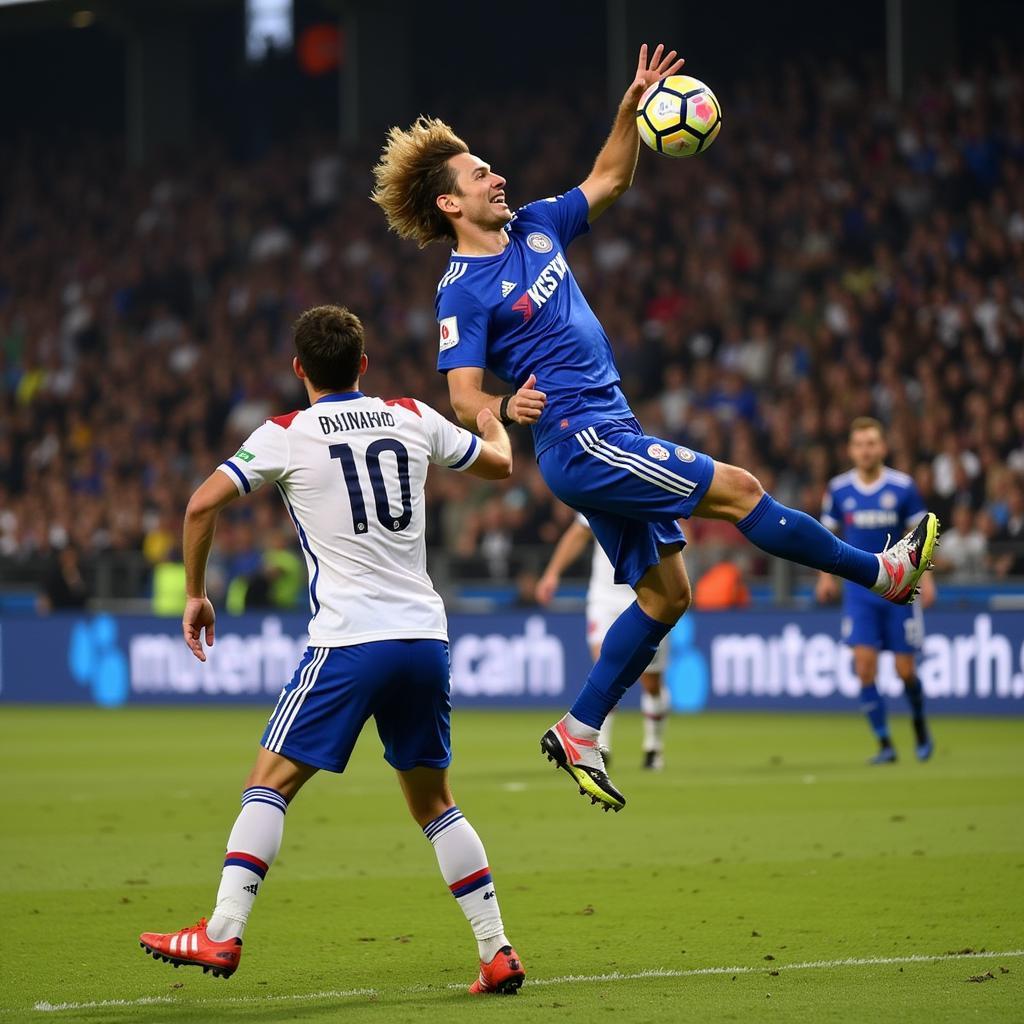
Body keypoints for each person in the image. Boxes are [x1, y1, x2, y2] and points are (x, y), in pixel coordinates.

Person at [371, 44, 939, 813]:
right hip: (581, 437)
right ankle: (882, 574)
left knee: (669, 595)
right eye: (479, 174)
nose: (496, 176)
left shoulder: (537, 225)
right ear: (449, 204)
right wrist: (503, 410)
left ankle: (578, 728)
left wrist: (629, 110)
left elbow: (610, 178)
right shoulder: (461, 291)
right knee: (741, 490)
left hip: (607, 427)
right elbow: (461, 395)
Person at [138, 305, 526, 996]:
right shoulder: (409, 414)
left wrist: (196, 593)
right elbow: (498, 465)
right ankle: (495, 950)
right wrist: (494, 419)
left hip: (349, 641)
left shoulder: (284, 434)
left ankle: (223, 932)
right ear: (364, 365)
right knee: (435, 801)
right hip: (423, 638)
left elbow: (200, 506)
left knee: (269, 780)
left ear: (298, 370)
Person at [816, 418, 935, 764]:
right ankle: (885, 744)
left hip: (899, 590)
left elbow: (920, 535)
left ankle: (919, 727)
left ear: (882, 447)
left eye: (871, 443)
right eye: (859, 444)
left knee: (904, 671)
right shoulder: (838, 490)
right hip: (859, 592)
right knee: (864, 668)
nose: (866, 450)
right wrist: (825, 578)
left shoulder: (902, 487)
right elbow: (828, 538)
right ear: (851, 450)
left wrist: (926, 578)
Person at [536, 515, 670, 770]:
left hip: (647, 597)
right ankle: (601, 746)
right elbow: (578, 533)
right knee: (605, 669)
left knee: (651, 682)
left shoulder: (654, 491)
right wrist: (552, 573)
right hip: (605, 598)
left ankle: (653, 746)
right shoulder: (600, 485)